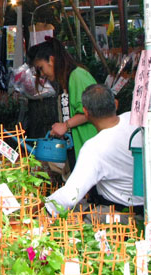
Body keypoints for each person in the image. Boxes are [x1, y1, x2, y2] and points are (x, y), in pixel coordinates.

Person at [45, 84, 144, 216]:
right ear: (116, 103)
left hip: (121, 214)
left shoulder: (94, 148)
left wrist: (44, 207)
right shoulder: (135, 119)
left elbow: (70, 196)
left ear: (86, 112)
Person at [28, 37, 97, 159]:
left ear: (51, 60)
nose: (42, 74)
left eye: (41, 68)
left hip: (88, 147)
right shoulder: (67, 80)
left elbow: (92, 110)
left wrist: (65, 125)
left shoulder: (78, 76)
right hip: (78, 148)